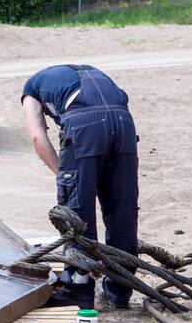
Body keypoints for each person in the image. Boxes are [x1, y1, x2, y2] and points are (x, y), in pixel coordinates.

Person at [21, 64, 139, 309]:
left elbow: (37, 137)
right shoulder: (89, 72)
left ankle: (78, 287)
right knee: (122, 209)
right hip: (124, 122)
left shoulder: (30, 89)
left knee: (77, 212)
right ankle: (119, 291)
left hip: (84, 126)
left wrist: (63, 175)